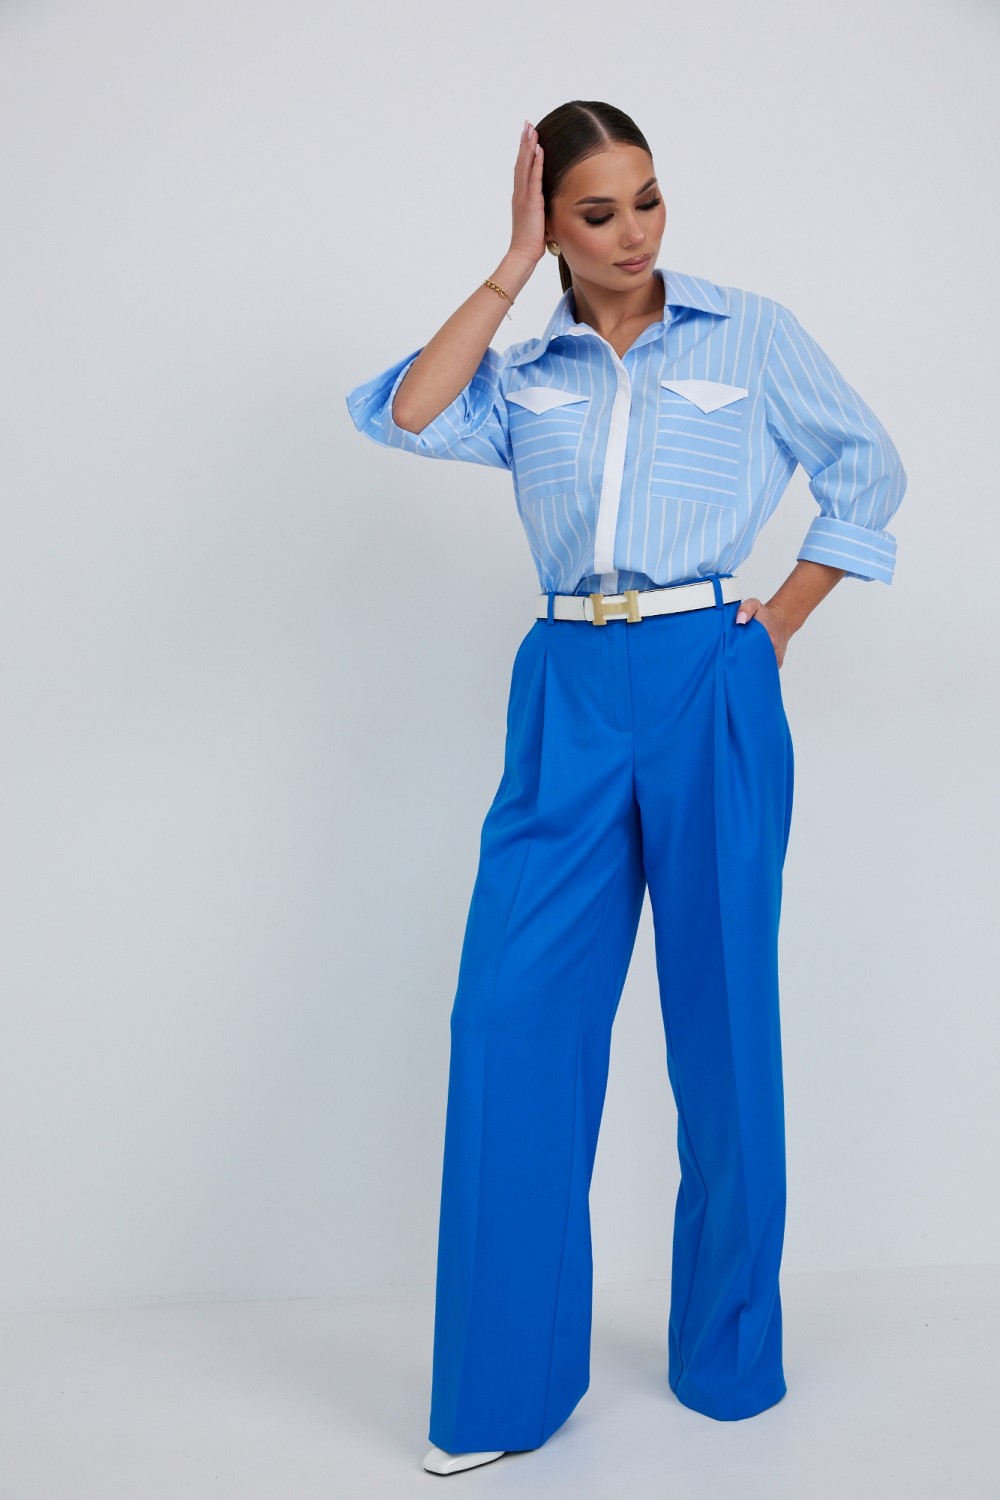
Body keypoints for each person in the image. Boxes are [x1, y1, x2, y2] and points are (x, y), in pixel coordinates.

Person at [345, 100, 906, 1477]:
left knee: (723, 1025)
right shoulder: (523, 372)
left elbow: (869, 470)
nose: (634, 232)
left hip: (710, 671)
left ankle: (728, 1360)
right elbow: (409, 411)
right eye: (596, 213)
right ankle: (503, 1396)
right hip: (565, 685)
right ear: (552, 224)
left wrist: (776, 627)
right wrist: (506, 268)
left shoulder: (748, 333)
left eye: (647, 199)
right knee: (509, 1022)